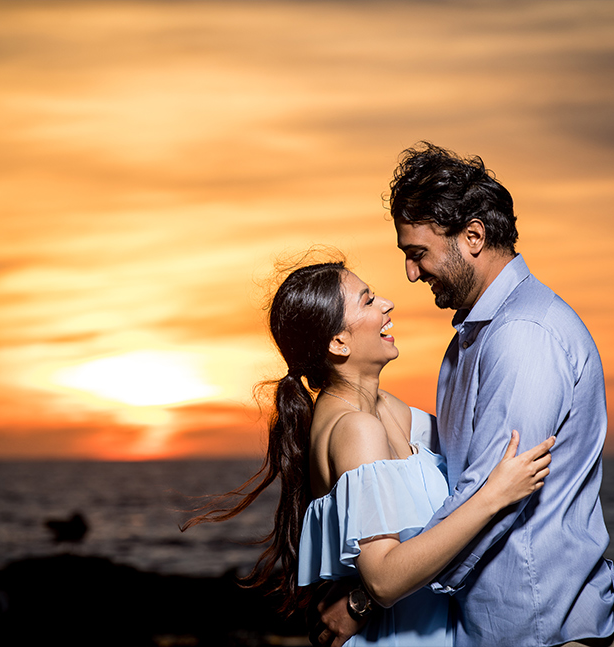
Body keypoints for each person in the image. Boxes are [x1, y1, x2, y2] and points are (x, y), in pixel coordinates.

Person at [312, 143, 614, 647]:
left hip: (545, 631)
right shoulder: (472, 339)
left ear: (473, 236)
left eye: (418, 254)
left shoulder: (523, 335)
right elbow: (436, 462)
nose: (412, 274)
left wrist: (368, 599)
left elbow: (488, 501)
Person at [183, 258, 555, 646]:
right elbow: (384, 579)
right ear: (338, 343)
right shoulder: (355, 430)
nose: (387, 304)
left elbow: (473, 438)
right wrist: (493, 497)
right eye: (368, 301)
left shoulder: (388, 408)